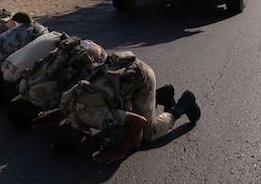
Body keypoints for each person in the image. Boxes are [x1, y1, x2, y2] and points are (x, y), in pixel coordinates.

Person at [48, 51, 201, 163]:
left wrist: (121, 152)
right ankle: (160, 96)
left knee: (148, 134)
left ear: (73, 134)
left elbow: (138, 121)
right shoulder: (66, 104)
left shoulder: (94, 117)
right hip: (122, 74)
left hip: (141, 77)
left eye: (76, 142)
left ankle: (182, 106)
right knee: (114, 130)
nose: (81, 143)